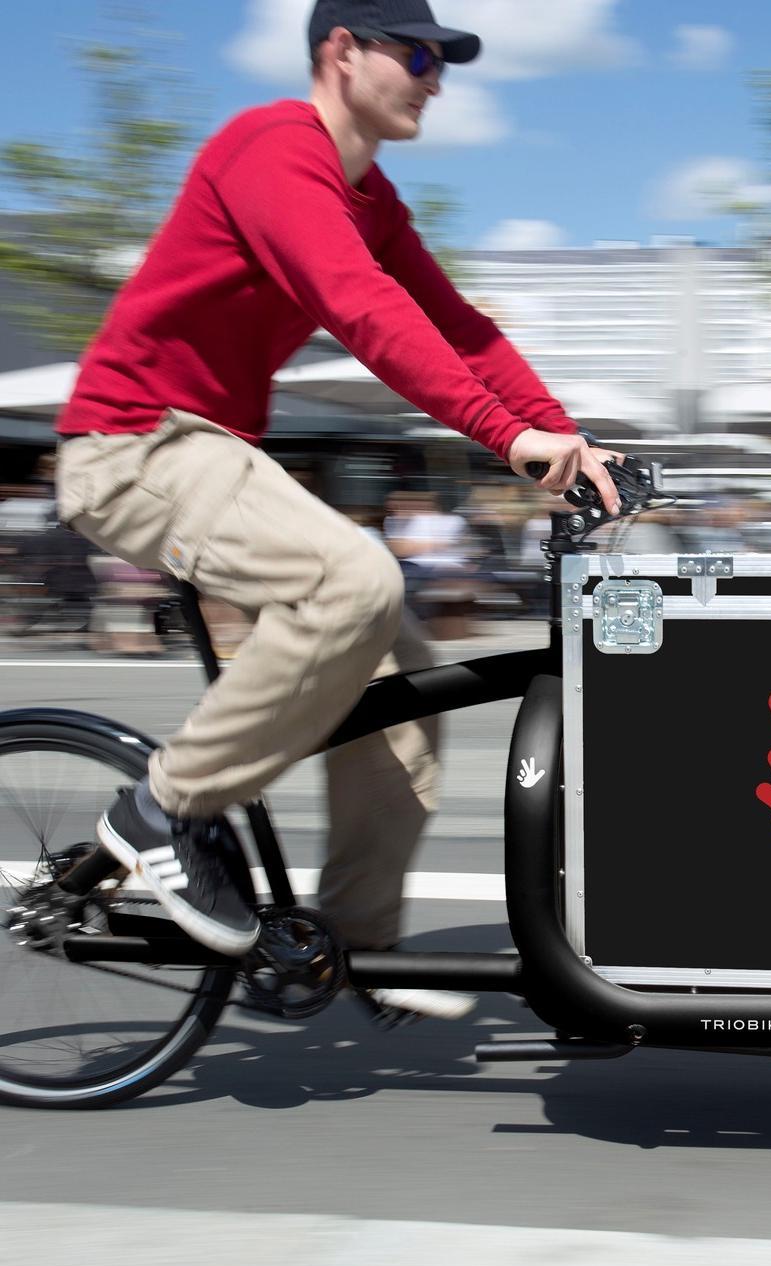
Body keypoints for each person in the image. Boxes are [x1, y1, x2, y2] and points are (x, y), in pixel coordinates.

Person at [53, 0, 621, 1022]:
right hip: (132, 444)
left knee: (405, 691)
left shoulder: (373, 199)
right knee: (351, 579)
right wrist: (505, 436)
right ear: (341, 51)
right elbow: (360, 306)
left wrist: (566, 438)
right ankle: (163, 808)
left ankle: (353, 950)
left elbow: (460, 330)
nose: (434, 78)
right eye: (416, 54)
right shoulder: (271, 148)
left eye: (443, 61)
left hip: (213, 452)